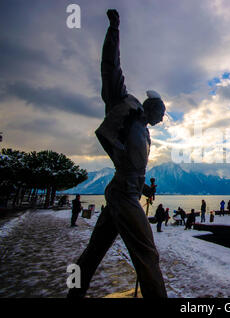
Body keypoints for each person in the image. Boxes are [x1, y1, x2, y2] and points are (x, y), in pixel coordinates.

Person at [67, 9, 167, 299]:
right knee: (148, 255)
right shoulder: (124, 109)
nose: (162, 118)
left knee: (93, 253)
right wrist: (114, 30)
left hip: (123, 194)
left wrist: (146, 188)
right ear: (150, 108)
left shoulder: (145, 134)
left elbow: (132, 168)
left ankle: (74, 293)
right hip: (122, 195)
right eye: (161, 112)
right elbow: (111, 66)